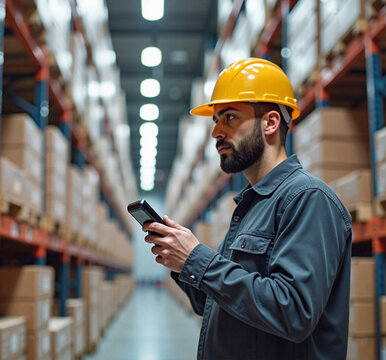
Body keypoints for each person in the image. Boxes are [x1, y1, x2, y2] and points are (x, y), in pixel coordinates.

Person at [142, 58, 352, 359]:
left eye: (229, 117)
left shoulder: (308, 199)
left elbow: (293, 311)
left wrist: (199, 259)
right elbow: (213, 304)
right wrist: (184, 264)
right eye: (215, 120)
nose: (216, 132)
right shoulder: (252, 205)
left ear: (270, 122)